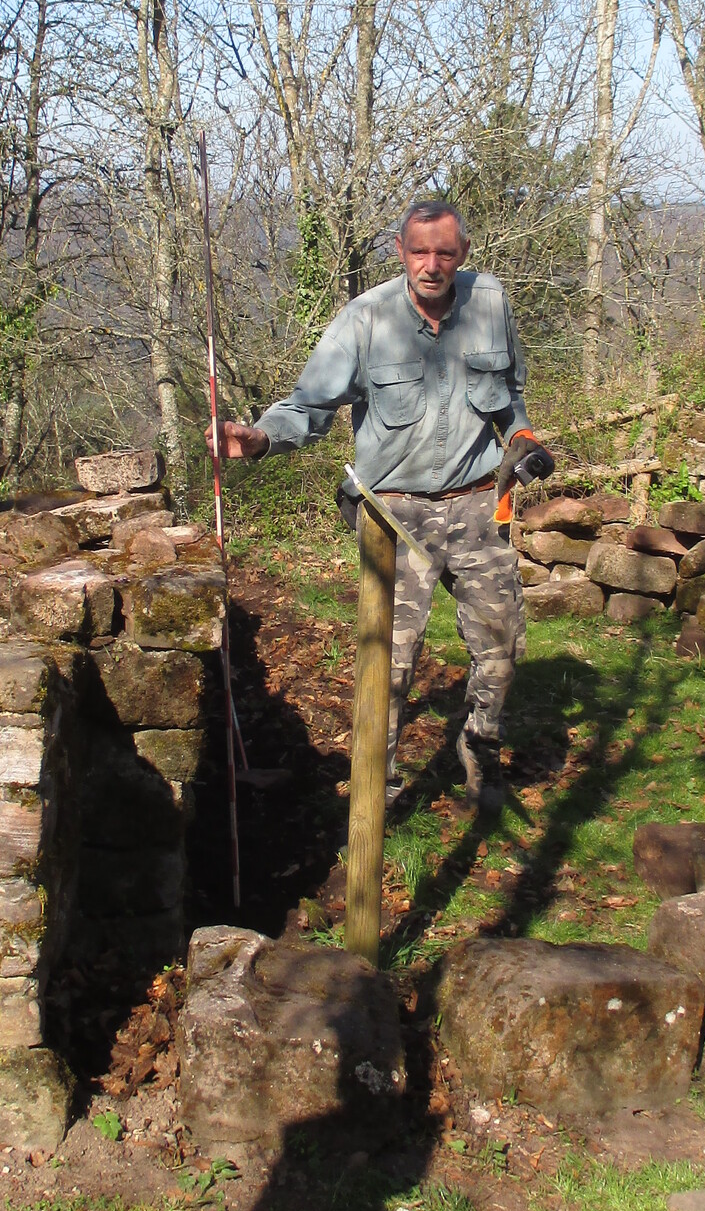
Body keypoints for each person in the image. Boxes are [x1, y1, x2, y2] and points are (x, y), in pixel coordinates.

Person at [208, 198, 553, 804]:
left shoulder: (490, 303)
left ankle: (480, 749)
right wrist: (259, 437)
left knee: (502, 648)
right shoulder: (364, 320)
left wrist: (521, 435)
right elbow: (308, 407)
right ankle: (377, 785)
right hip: (393, 514)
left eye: (444, 253)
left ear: (462, 253)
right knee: (388, 664)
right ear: (399, 251)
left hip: (477, 507)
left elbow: (510, 395)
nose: (431, 265)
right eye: (419, 251)